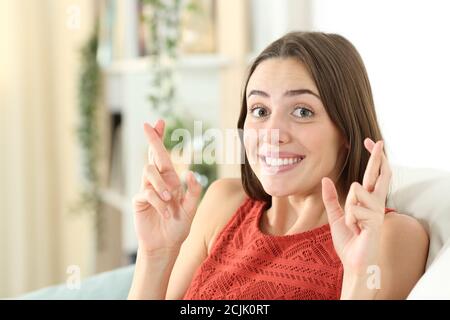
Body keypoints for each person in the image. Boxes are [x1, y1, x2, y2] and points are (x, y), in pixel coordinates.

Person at [127, 31, 429, 300]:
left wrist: (359, 276)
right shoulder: (224, 203)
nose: (272, 134)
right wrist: (156, 252)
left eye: (301, 111)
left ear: (347, 132)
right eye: (259, 110)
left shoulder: (390, 236)